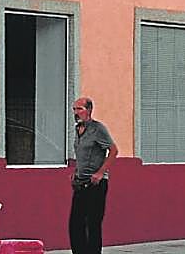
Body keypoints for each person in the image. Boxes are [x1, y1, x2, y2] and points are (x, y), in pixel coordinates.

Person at [69, 96, 117, 254]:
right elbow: (82, 155)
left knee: (93, 223)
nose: (76, 112)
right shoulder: (78, 130)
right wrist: (76, 172)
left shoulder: (98, 129)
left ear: (89, 110)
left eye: (79, 109)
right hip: (80, 183)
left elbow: (114, 150)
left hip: (96, 183)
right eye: (74, 109)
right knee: (75, 223)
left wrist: (100, 173)